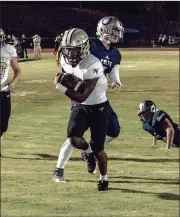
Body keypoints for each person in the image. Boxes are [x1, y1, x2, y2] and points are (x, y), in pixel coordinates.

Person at [53, 16, 124, 182]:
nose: (117, 34)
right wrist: (71, 80)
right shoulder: (89, 44)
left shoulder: (115, 53)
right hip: (81, 95)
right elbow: (68, 55)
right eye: (114, 30)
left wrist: (116, 81)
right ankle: (59, 169)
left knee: (114, 129)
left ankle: (89, 150)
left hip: (98, 96)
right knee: (75, 134)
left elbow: (113, 68)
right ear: (103, 30)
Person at [0, 28, 21, 156]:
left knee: (3, 123)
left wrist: (13, 83)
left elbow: (17, 70)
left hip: (3, 91)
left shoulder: (8, 49)